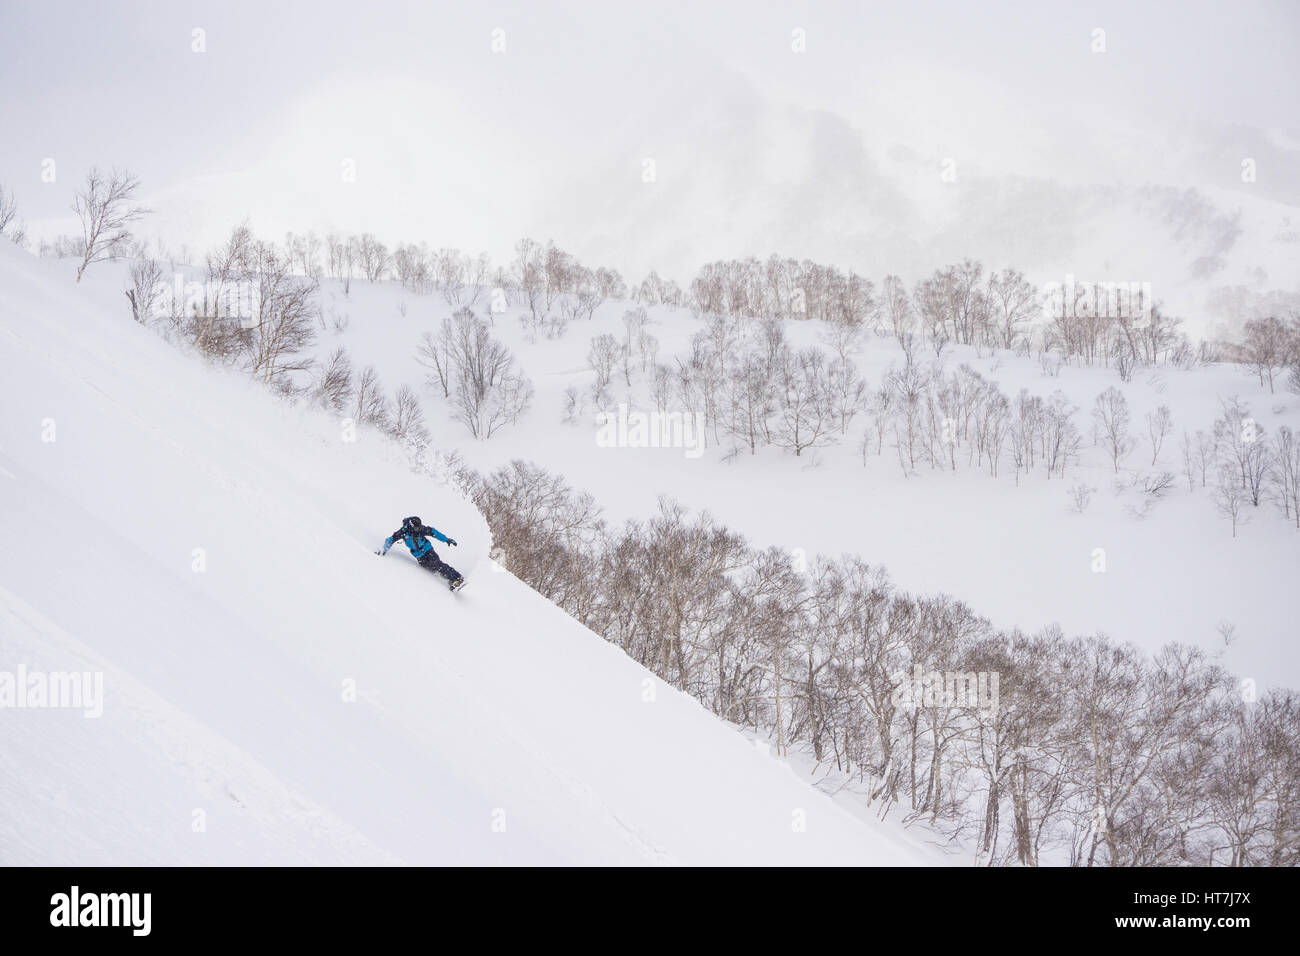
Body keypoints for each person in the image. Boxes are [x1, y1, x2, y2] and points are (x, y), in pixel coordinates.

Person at [377, 516, 465, 591]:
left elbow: (434, 532)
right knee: (430, 568)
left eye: (419, 527)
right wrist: (383, 550)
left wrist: (446, 539)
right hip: (418, 555)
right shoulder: (403, 532)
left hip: (427, 549)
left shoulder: (422, 529)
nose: (418, 529)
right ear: (411, 526)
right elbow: (391, 539)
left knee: (437, 564)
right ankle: (449, 580)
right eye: (416, 528)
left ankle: (457, 578)